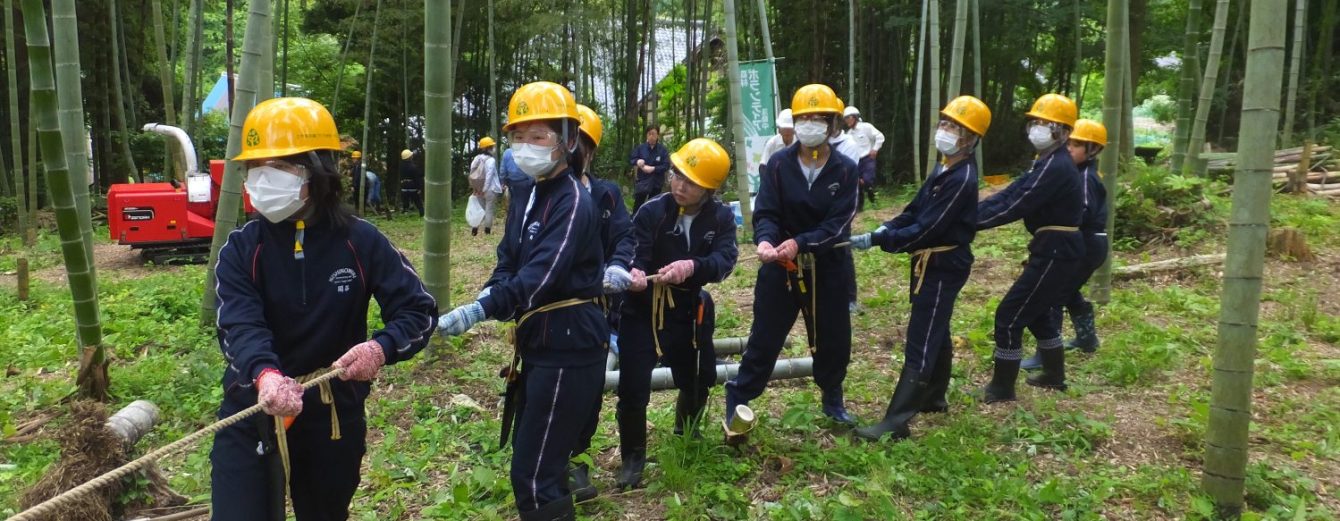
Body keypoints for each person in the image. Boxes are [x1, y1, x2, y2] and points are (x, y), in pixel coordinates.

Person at [209, 97, 439, 521]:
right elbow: (239, 324)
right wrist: (265, 374)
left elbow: (418, 310)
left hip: (331, 410)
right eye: (254, 168)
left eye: (277, 167)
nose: (262, 180)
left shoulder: (363, 242)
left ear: (318, 172)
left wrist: (381, 348)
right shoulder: (242, 249)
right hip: (252, 406)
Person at [437, 81, 606, 521]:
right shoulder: (530, 196)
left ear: (567, 140)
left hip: (569, 347)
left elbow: (539, 276)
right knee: (532, 467)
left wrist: (483, 309)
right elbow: (509, 258)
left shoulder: (572, 202)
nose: (525, 147)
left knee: (535, 475)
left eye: (539, 136)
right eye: (518, 137)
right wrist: (489, 291)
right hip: (543, 343)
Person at [848, 96, 989, 441]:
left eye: (955, 127)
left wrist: (884, 241)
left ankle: (896, 421)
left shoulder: (962, 178)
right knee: (936, 326)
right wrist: (886, 227)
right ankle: (934, 396)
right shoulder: (944, 168)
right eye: (945, 123)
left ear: (970, 139)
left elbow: (929, 229)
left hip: (943, 262)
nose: (946, 130)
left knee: (922, 334)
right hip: (932, 261)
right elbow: (915, 211)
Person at [723, 84, 860, 439]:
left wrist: (799, 243)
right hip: (779, 269)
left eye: (819, 118)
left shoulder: (845, 169)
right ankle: (738, 397)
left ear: (832, 124)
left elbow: (838, 223)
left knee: (833, 337)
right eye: (804, 118)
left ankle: (833, 397)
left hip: (828, 266)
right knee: (765, 337)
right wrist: (766, 240)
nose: (810, 124)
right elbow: (765, 211)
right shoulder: (779, 164)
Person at [614, 138, 737, 490]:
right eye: (677, 175)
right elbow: (633, 251)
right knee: (633, 386)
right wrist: (634, 273)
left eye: (692, 182)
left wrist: (693, 266)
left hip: (688, 309)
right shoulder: (652, 211)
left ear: (710, 189)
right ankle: (633, 458)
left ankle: (687, 432)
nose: (681, 185)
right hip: (642, 310)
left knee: (699, 377)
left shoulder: (722, 217)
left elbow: (724, 262)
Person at [976, 93, 1086, 403]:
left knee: (1009, 315)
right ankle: (1054, 375)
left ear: (1064, 131)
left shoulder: (1056, 166)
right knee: (1037, 315)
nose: (1037, 128)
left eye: (1046, 123)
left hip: (1057, 251)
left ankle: (1001, 388)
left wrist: (968, 223)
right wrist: (970, 212)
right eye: (1035, 122)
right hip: (1054, 249)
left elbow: (1019, 205)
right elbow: (1011, 193)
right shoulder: (1046, 162)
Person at [567, 103, 635, 503]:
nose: (575, 152)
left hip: (597, 315)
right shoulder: (534, 196)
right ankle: (545, 461)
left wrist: (618, 264)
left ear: (590, 151)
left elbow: (625, 236)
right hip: (550, 315)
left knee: (590, 389)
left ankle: (576, 458)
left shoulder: (606, 194)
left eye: (582, 144)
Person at [1021, 118, 1108, 370]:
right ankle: (1086, 338)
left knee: (1053, 294)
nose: (1069, 148)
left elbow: (1081, 212)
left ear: (1093, 150)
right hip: (1086, 243)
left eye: (1077, 144)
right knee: (1067, 290)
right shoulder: (1074, 172)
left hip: (1086, 243)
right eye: (1068, 142)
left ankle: (1047, 354)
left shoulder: (1083, 178)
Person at [843, 106, 885, 211]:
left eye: (849, 117)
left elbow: (880, 136)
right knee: (856, 183)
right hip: (856, 161)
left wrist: (875, 149)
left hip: (867, 159)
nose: (847, 120)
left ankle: (874, 200)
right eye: (845, 118)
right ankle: (859, 208)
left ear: (855, 117)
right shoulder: (848, 134)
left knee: (866, 180)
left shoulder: (866, 127)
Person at [628, 124, 671, 213]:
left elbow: (666, 165)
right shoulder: (641, 148)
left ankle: (651, 224)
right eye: (649, 134)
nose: (651, 136)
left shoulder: (662, 150)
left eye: (653, 134)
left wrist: (653, 169)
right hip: (643, 181)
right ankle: (635, 221)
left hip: (656, 182)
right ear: (646, 135)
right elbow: (632, 159)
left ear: (658, 135)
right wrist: (638, 161)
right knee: (638, 205)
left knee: (653, 206)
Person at [469, 137, 503, 235]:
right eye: (492, 146)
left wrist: (475, 187)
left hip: (478, 188)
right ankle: (487, 230)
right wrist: (485, 188)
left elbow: (472, 172)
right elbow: (489, 175)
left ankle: (474, 229)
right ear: (489, 147)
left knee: (479, 209)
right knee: (489, 209)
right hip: (490, 189)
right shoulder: (491, 160)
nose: (493, 148)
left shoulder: (476, 158)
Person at [760, 109, 795, 177]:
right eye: (784, 127)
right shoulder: (772, 143)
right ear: (779, 128)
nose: (786, 131)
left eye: (789, 128)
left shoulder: (800, 143)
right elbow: (763, 166)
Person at [398, 149, 424, 217]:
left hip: (404, 186)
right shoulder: (413, 167)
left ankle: (405, 213)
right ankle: (422, 213)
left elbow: (401, 176)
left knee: (405, 201)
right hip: (412, 186)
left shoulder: (401, 166)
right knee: (417, 201)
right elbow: (417, 178)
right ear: (410, 157)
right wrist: (419, 188)